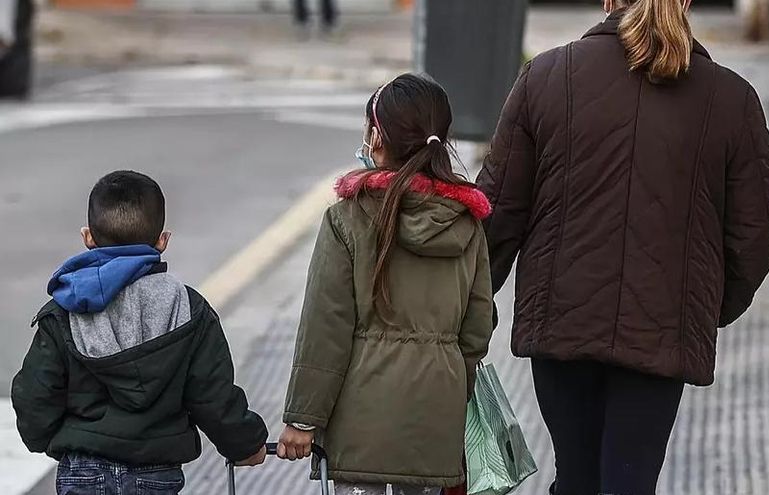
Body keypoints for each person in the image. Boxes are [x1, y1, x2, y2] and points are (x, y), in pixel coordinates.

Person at [478, 0, 769, 493]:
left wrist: (470, 303)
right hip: (662, 330)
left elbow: (499, 212)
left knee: (575, 477)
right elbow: (751, 241)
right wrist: (700, 311)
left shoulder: (546, 77)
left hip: (561, 324)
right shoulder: (732, 99)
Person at [276, 73, 494, 495]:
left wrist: (303, 418)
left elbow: (327, 327)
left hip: (362, 419)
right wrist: (450, 385)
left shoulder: (348, 218)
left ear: (376, 137)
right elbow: (478, 327)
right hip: (437, 416)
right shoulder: (467, 222)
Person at [12, 170, 269, 494]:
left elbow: (36, 395)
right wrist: (246, 445)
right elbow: (213, 396)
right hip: (156, 475)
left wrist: (45, 438)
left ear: (88, 237)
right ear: (162, 240)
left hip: (84, 471)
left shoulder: (64, 310)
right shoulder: (188, 309)